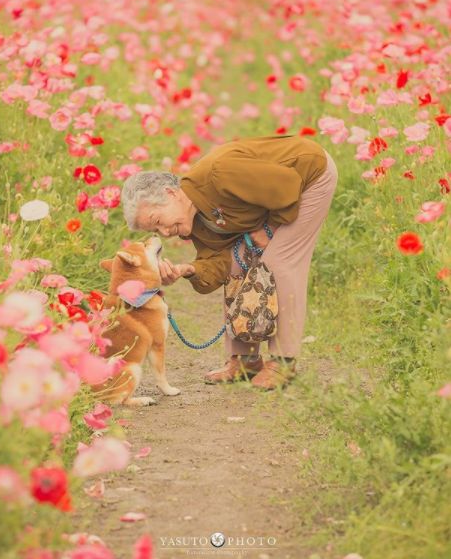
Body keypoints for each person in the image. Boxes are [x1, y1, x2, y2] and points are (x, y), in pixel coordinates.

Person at [121, 134, 338, 390]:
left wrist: (270, 226)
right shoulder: (192, 221)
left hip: (309, 178)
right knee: (238, 266)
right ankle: (245, 360)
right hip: (274, 199)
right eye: (156, 231)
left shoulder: (219, 174)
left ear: (171, 193)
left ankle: (283, 362)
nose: (165, 233)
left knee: (278, 262)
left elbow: (288, 185)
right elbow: (220, 263)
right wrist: (189, 270)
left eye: (158, 221)